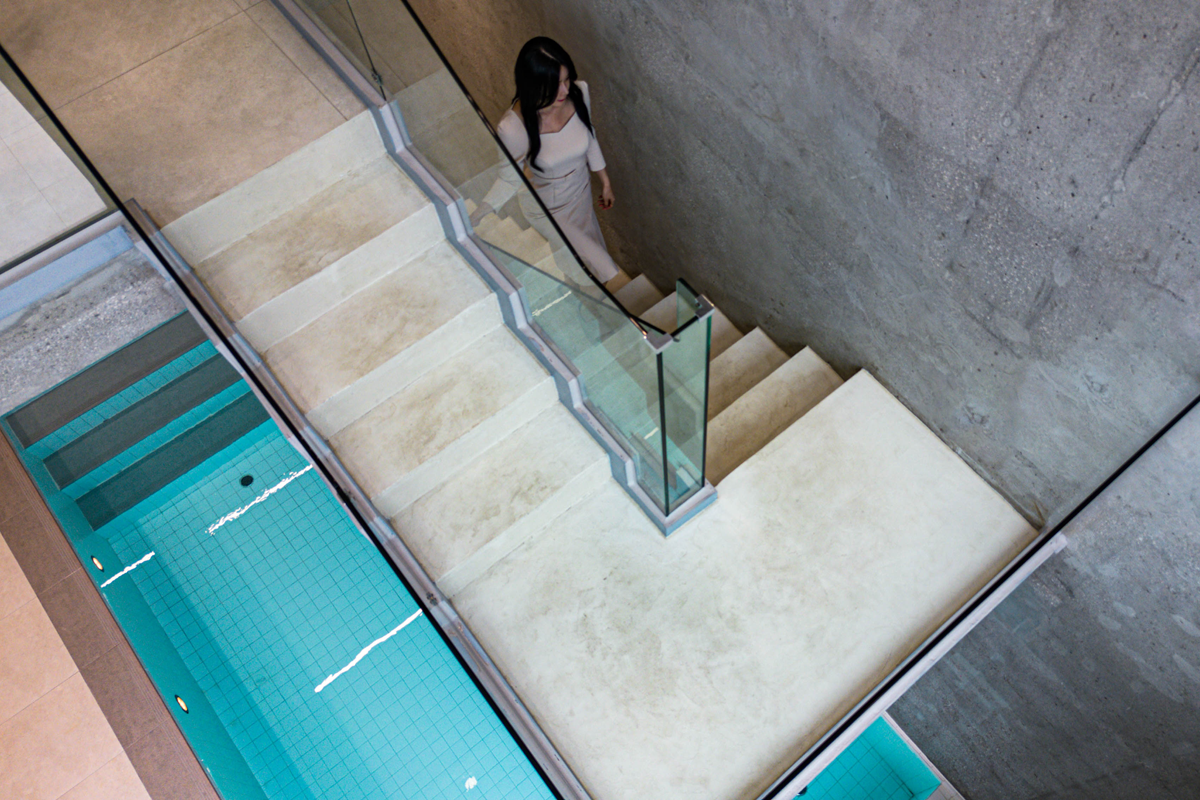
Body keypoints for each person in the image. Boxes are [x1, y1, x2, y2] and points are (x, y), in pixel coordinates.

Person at [472, 37, 621, 285]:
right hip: (548, 208)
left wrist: (605, 182)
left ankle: (578, 285)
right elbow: (508, 179)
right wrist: (478, 214)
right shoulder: (513, 127)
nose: (565, 91)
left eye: (566, 80)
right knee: (602, 266)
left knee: (583, 254)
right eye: (555, 85)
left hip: (580, 192)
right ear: (533, 85)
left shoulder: (579, 92)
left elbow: (590, 136)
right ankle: (595, 292)